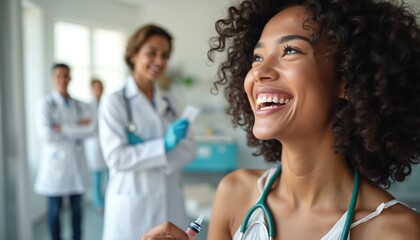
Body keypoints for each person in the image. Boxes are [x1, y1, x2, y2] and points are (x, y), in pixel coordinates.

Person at [141, 0, 420, 239]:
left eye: (290, 51)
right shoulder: (235, 193)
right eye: (257, 57)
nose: (260, 72)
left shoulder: (397, 231)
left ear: (348, 78)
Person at [98, 24, 196, 240]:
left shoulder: (171, 102)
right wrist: (164, 147)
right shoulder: (115, 102)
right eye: (151, 53)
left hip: (170, 201)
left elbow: (189, 149)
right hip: (132, 205)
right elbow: (116, 158)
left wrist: (141, 152)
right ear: (134, 54)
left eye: (165, 55)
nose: (159, 61)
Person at [35, 63, 94, 240]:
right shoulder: (45, 104)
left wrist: (61, 128)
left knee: (77, 211)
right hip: (56, 167)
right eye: (58, 76)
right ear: (53, 79)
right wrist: (76, 127)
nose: (62, 79)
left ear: (70, 78)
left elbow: (91, 129)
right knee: (54, 212)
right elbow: (46, 134)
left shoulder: (79, 105)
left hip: (76, 164)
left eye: (65, 75)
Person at [84, 78, 107, 213]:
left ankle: (106, 201)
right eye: (96, 87)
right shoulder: (87, 107)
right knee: (96, 177)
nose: (98, 90)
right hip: (94, 145)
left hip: (105, 144)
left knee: (109, 176)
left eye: (100, 87)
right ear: (92, 89)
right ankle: (99, 204)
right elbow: (88, 126)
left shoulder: (107, 103)